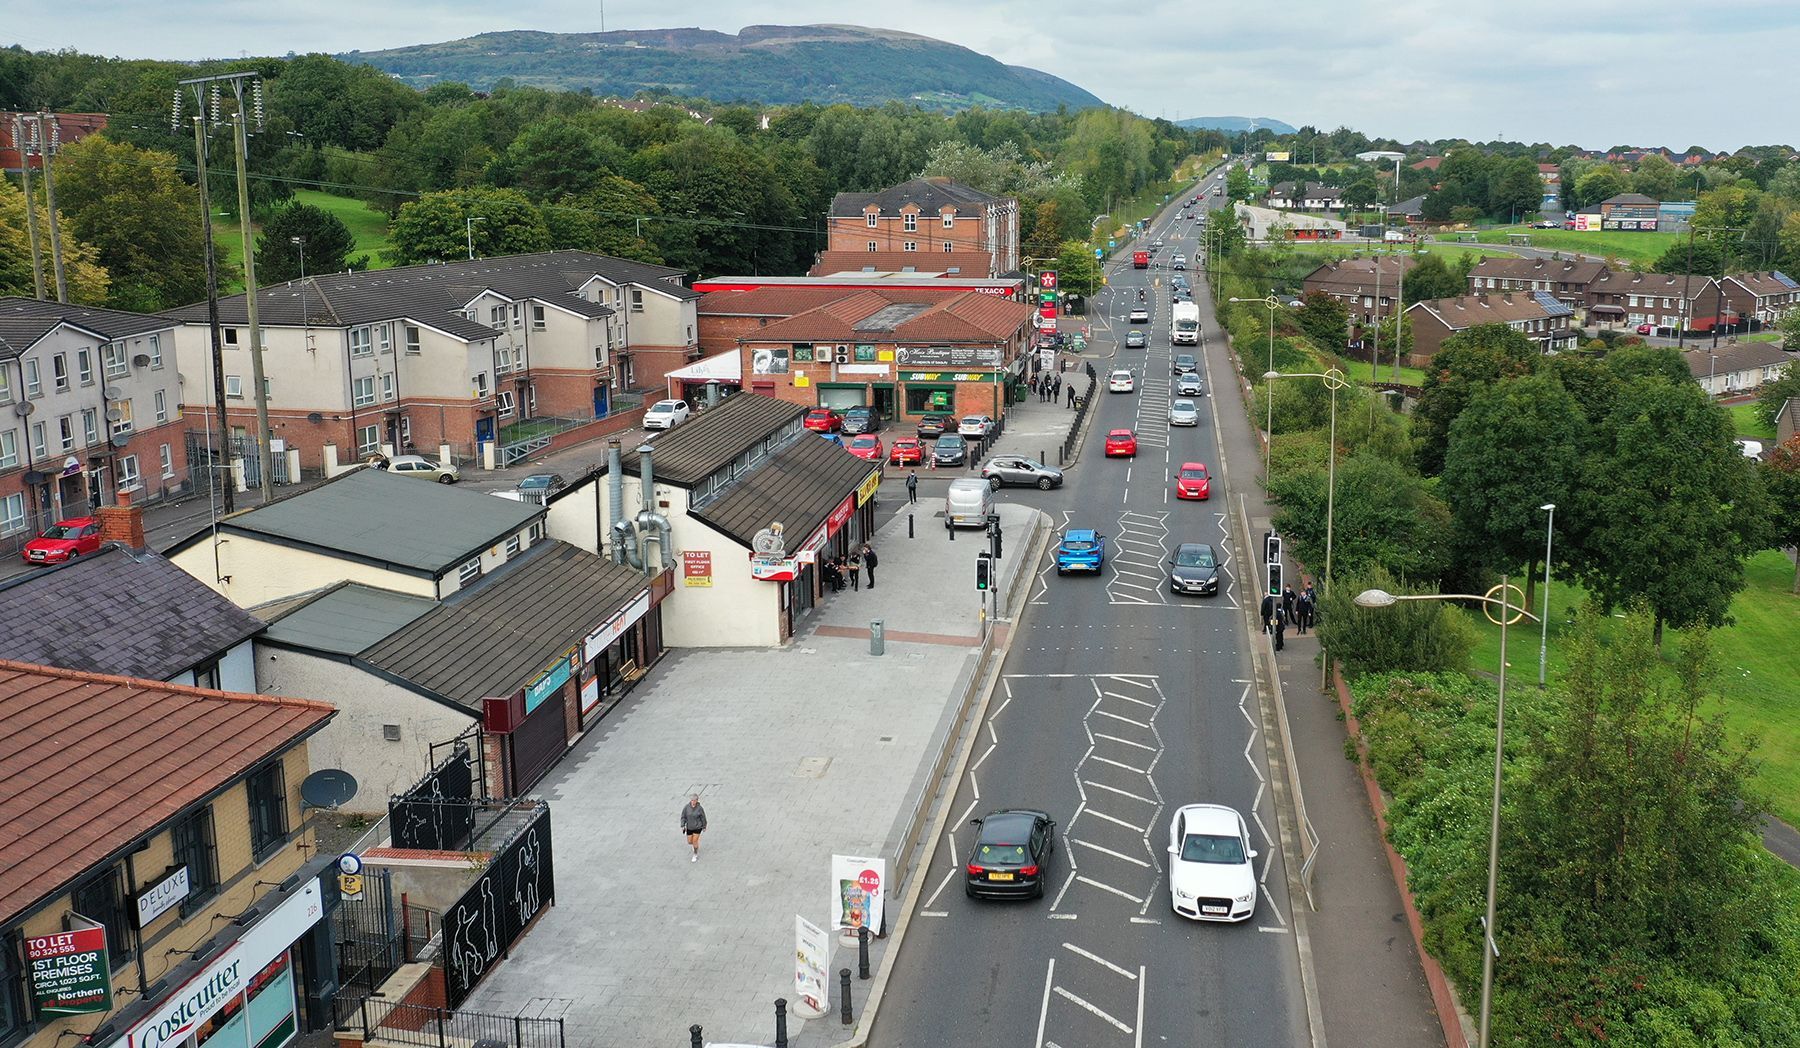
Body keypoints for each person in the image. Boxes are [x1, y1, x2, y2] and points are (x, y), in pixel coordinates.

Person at [681, 795, 707, 861]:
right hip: (689, 827)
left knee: (695, 841)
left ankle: (695, 854)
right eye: (692, 800)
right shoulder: (686, 807)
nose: (693, 802)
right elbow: (683, 816)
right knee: (690, 842)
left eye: (694, 800)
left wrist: (704, 826)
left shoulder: (700, 808)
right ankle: (695, 845)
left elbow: (703, 817)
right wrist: (682, 825)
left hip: (697, 827)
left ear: (697, 801)